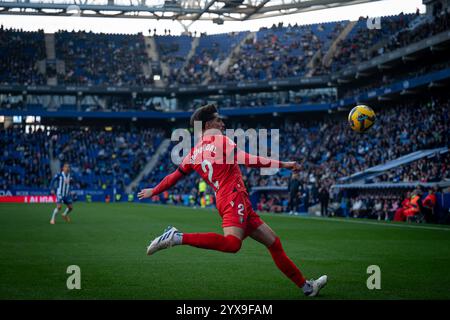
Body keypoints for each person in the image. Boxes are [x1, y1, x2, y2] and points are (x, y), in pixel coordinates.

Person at [138, 104, 327, 297]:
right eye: (218, 119)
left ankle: (307, 287)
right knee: (232, 244)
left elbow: (174, 176)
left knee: (274, 243)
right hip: (233, 198)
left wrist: (154, 190)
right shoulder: (219, 140)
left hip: (228, 199)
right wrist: (284, 164)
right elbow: (246, 159)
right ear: (208, 124)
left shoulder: (193, 152)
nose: (222, 123)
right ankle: (177, 237)